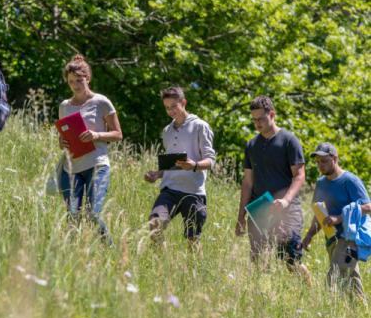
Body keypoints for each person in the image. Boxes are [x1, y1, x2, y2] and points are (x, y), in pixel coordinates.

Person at [235, 96, 312, 283]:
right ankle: (262, 301)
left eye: (261, 118)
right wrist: (241, 216)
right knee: (258, 261)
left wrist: (285, 200)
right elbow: (247, 182)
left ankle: (309, 289)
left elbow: (300, 176)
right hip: (258, 209)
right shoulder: (251, 145)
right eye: (253, 119)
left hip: (286, 210)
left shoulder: (288, 140)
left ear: (272, 114)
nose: (257, 123)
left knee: (291, 260)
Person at [58, 55, 123, 244]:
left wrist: (96, 135)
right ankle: (75, 255)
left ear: (87, 78)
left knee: (93, 213)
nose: (75, 85)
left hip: (97, 164)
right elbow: (62, 137)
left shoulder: (102, 102)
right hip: (71, 168)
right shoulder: (64, 106)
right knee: (73, 216)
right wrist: (62, 142)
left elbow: (118, 134)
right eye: (71, 82)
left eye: (79, 80)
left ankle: (109, 248)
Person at [143, 87, 216, 250]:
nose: (170, 111)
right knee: (154, 224)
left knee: (192, 239)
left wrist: (195, 165)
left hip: (193, 192)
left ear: (183, 103)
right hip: (169, 190)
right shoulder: (167, 131)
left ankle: (195, 272)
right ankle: (163, 264)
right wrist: (157, 174)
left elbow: (211, 160)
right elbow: (172, 165)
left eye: (174, 106)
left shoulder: (200, 126)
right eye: (167, 108)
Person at [301, 143, 370, 302]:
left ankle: (325, 308)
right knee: (352, 281)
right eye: (317, 162)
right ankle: (362, 313)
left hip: (350, 239)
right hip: (331, 238)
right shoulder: (321, 183)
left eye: (324, 161)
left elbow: (368, 206)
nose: (320, 165)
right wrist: (309, 236)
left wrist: (339, 218)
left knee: (333, 278)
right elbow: (319, 212)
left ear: (335, 159)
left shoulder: (350, 180)